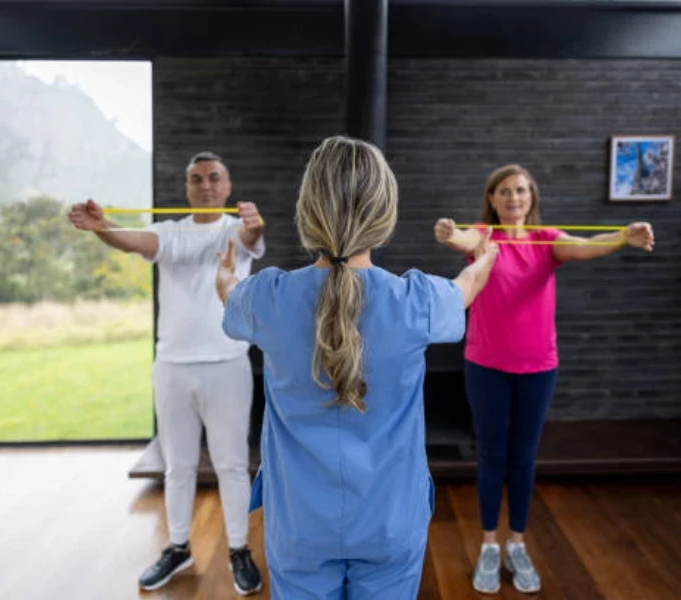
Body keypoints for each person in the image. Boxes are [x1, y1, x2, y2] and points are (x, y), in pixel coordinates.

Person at [214, 135, 499, 599]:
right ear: (383, 214)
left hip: (300, 526)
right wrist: (484, 257)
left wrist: (224, 272)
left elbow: (229, 293)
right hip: (391, 522)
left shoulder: (267, 297)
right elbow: (466, 287)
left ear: (308, 211)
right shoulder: (418, 300)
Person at [434, 164, 654, 594]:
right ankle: (488, 546)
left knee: (524, 458)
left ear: (531, 197)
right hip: (486, 367)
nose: (513, 198)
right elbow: (462, 238)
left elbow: (587, 246)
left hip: (538, 369)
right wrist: (449, 233)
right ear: (492, 200)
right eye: (504, 192)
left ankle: (517, 542)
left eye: (520, 191)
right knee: (491, 457)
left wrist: (624, 236)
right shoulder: (485, 238)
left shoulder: (548, 242)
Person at [67, 151, 266, 595]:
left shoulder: (237, 229)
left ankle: (238, 550)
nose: (206, 185)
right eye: (197, 179)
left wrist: (254, 221)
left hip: (227, 365)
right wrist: (103, 227)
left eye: (214, 178)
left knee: (232, 465)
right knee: (177, 466)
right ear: (188, 188)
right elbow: (131, 241)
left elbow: (254, 235)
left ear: (228, 187)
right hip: (173, 366)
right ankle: (178, 548)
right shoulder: (169, 233)